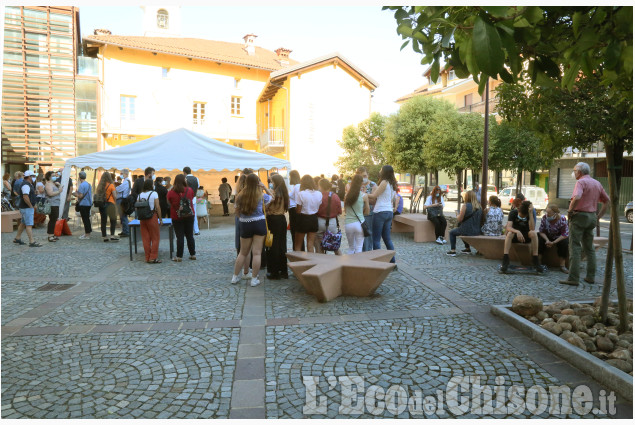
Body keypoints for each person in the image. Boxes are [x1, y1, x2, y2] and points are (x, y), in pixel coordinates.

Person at [560, 162, 609, 286]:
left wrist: (570, 211)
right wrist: (598, 217)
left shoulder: (581, 182)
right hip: (592, 216)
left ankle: (573, 278)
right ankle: (590, 277)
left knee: (575, 247)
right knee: (589, 248)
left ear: (580, 172)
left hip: (579, 216)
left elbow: (577, 197)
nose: (574, 172)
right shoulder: (596, 183)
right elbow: (606, 200)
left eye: (575, 170)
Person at [231, 174, 274, 286]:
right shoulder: (260, 194)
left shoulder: (240, 195)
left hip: (245, 223)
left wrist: (242, 218)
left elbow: (236, 209)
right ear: (257, 182)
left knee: (243, 252)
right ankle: (254, 279)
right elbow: (272, 198)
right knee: (257, 253)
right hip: (259, 222)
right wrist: (264, 187)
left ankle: (235, 277)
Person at [500, 200, 542, 273]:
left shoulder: (529, 214)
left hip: (526, 235)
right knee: (509, 233)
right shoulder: (513, 213)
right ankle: (505, 258)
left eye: (524, 217)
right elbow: (508, 227)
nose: (522, 217)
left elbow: (532, 228)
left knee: (534, 233)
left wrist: (531, 213)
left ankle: (535, 258)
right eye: (521, 216)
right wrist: (517, 231)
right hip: (515, 235)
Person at [167, 174, 196, 262]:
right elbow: (192, 197)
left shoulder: (171, 192)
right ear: (184, 181)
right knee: (190, 235)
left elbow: (169, 202)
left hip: (177, 216)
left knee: (180, 236)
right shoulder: (189, 190)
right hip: (189, 215)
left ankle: (179, 256)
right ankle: (192, 254)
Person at [266, 174, 289, 279]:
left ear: (274, 182)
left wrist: (264, 188)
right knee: (282, 245)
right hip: (281, 219)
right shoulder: (284, 192)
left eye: (271, 181)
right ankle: (284, 271)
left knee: (273, 245)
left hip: (273, 219)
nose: (271, 183)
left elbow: (267, 206)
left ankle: (274, 272)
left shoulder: (274, 193)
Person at [446, 190, 483, 256]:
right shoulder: (479, 207)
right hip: (477, 230)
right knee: (461, 231)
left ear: (467, 197)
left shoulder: (465, 206)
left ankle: (453, 250)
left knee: (452, 232)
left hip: (466, 230)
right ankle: (467, 248)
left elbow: (460, 219)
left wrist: (457, 214)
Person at [294, 174, 323, 252]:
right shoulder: (319, 194)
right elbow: (319, 206)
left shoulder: (301, 194)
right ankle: (311, 262)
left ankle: (299, 262)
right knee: (310, 244)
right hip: (314, 218)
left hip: (303, 218)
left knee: (298, 244)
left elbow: (298, 210)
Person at [539, 204, 570, 273]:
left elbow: (565, 234)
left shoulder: (562, 219)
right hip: (548, 236)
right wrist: (547, 240)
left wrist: (554, 242)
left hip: (558, 237)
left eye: (549, 213)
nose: (547, 215)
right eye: (546, 212)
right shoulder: (544, 218)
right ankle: (538, 262)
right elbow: (541, 231)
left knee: (564, 243)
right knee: (540, 240)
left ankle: (562, 265)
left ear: (555, 214)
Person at [13, 170, 41, 247]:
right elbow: (25, 196)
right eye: (33, 176)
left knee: (23, 223)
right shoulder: (26, 185)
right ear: (29, 177)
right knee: (29, 224)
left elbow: (27, 195)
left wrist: (34, 193)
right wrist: (30, 206)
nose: (34, 178)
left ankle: (17, 238)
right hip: (27, 208)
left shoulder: (28, 184)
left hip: (25, 207)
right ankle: (32, 241)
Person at [315, 178, 342, 255]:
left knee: (319, 244)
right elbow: (339, 211)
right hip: (332, 222)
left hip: (320, 221)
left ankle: (322, 264)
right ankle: (341, 261)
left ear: (320, 186)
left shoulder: (319, 196)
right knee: (335, 245)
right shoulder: (335, 196)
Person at [138, 179, 162, 263]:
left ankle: (147, 257)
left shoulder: (140, 195)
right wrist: (160, 219)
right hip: (152, 216)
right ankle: (153, 257)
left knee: (145, 239)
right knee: (155, 238)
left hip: (142, 218)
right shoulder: (154, 193)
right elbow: (158, 207)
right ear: (151, 185)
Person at [344, 174, 370, 254]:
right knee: (359, 248)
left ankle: (349, 266)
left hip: (348, 224)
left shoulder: (347, 195)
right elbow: (367, 212)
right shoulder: (364, 195)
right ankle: (358, 265)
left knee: (351, 248)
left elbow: (345, 211)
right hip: (360, 223)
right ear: (361, 183)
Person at [95, 172, 119, 242]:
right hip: (111, 204)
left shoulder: (100, 186)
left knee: (103, 221)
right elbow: (114, 196)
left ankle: (104, 236)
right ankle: (112, 235)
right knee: (113, 220)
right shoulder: (111, 185)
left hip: (102, 204)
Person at [358, 167, 377, 252]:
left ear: (368, 175)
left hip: (369, 214)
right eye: (361, 176)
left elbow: (374, 200)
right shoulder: (357, 185)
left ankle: (367, 254)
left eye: (365, 175)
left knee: (368, 235)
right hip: (358, 214)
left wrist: (364, 198)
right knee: (359, 235)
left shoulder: (373, 185)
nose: (363, 178)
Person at [44, 171, 64, 242]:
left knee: (54, 219)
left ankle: (52, 234)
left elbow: (61, 188)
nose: (54, 176)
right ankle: (50, 235)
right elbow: (50, 193)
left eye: (55, 175)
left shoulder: (54, 183)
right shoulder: (48, 184)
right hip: (52, 204)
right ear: (49, 177)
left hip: (56, 203)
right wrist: (59, 191)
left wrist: (59, 185)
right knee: (52, 219)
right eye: (52, 175)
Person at [287, 170, 304, 251]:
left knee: (295, 232)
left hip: (294, 211)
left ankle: (298, 251)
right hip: (294, 210)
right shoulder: (297, 186)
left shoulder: (297, 186)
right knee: (296, 232)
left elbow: (298, 200)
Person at [74, 171, 92, 239]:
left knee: (85, 219)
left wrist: (75, 194)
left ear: (79, 177)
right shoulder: (88, 184)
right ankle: (88, 232)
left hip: (83, 204)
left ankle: (87, 234)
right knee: (87, 218)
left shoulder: (81, 185)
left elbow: (80, 196)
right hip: (88, 204)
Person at [183, 166, 201, 235]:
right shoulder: (196, 178)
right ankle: (196, 230)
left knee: (185, 215)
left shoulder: (184, 179)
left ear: (184, 172)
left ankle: (187, 231)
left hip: (185, 199)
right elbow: (198, 186)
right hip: (193, 198)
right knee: (194, 214)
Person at [115, 168, 131, 237]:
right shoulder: (126, 181)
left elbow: (118, 189)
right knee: (122, 217)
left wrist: (115, 187)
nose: (121, 175)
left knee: (123, 216)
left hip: (121, 199)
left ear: (126, 174)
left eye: (122, 173)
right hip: (122, 199)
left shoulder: (126, 182)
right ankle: (124, 230)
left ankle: (126, 231)